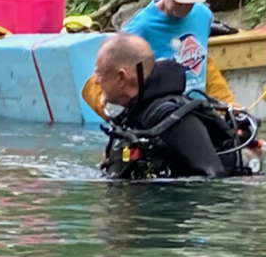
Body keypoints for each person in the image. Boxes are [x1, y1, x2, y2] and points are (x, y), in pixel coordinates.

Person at [94, 34, 257, 179]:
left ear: (121, 77)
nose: (96, 81)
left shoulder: (174, 118)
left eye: (99, 73)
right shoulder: (134, 116)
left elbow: (212, 179)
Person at [122, 0, 234, 103]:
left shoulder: (203, 14)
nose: (186, 5)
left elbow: (205, 63)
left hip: (198, 109)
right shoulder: (139, 28)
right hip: (162, 112)